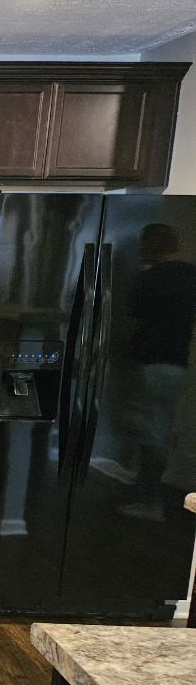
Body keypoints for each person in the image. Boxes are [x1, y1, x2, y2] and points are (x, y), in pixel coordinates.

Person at [119, 222, 196, 522]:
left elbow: (132, 324)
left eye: (143, 244)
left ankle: (151, 503)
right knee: (158, 430)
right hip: (177, 363)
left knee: (150, 434)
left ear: (153, 245)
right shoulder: (191, 276)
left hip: (150, 362)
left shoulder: (149, 279)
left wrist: (110, 351)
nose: (141, 250)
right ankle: (147, 494)